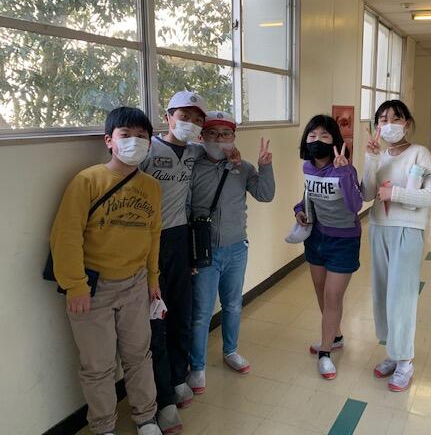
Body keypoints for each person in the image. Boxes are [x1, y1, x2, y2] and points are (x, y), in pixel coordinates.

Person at [50, 107, 163, 435]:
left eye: (141, 136)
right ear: (109, 141)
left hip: (136, 285)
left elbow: (153, 234)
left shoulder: (151, 186)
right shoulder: (87, 181)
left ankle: (146, 418)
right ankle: (103, 427)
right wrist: (75, 285)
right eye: (126, 135)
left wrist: (152, 279)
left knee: (139, 356)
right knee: (97, 366)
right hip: (92, 288)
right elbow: (65, 235)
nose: (134, 141)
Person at [187, 111, 275, 392]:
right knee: (201, 313)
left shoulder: (243, 168)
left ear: (234, 137)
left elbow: (265, 194)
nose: (219, 139)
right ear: (202, 137)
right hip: (204, 252)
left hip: (237, 248)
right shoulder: (192, 167)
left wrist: (265, 166)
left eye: (225, 134)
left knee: (233, 305)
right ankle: (197, 367)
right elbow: (184, 207)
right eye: (212, 134)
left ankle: (230, 351)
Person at [362, 100, 431, 392]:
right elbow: (367, 194)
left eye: (395, 119)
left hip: (407, 231)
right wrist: (370, 160)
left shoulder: (419, 153)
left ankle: (405, 360)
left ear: (406, 123)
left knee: (402, 296)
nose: (388, 125)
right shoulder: (379, 155)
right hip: (379, 229)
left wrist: (395, 193)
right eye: (382, 120)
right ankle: (393, 352)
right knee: (382, 293)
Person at [140, 90, 207, 434]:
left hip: (181, 239)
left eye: (197, 120)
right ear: (167, 117)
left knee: (182, 311)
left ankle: (179, 377)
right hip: (149, 242)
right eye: (184, 116)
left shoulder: (195, 151)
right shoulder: (148, 149)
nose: (190, 124)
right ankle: (163, 398)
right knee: (156, 320)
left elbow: (219, 150)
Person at [294, 115, 363, 380]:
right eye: (312, 136)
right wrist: (299, 210)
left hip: (343, 241)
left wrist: (344, 173)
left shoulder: (345, 169)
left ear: (335, 140)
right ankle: (335, 336)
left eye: (324, 135)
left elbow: (355, 205)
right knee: (321, 292)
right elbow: (308, 196)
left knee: (333, 297)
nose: (317, 140)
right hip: (317, 237)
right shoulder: (308, 167)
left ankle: (325, 353)